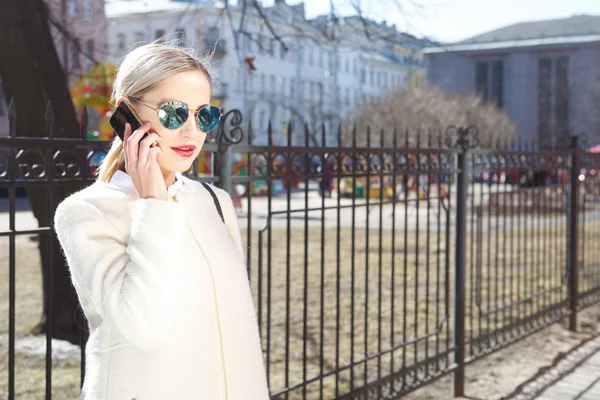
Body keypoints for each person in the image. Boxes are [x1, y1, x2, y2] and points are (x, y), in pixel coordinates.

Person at [53, 43, 269, 400]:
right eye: (173, 113)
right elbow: (145, 329)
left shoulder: (214, 202)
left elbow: (237, 337)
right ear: (127, 114)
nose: (191, 133)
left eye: (203, 116)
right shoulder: (86, 213)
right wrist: (154, 204)